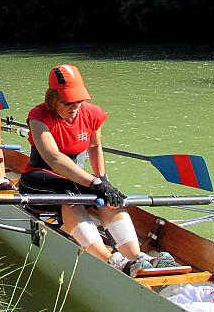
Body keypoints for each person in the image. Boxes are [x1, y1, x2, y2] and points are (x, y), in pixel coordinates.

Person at [19, 64, 175, 276]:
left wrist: (102, 180)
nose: (74, 107)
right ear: (52, 98)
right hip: (39, 178)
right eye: (67, 102)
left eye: (78, 101)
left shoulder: (92, 114)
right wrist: (94, 183)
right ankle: (112, 261)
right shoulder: (38, 117)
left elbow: (94, 146)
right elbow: (54, 159)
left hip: (74, 177)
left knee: (111, 198)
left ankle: (137, 257)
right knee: (71, 195)